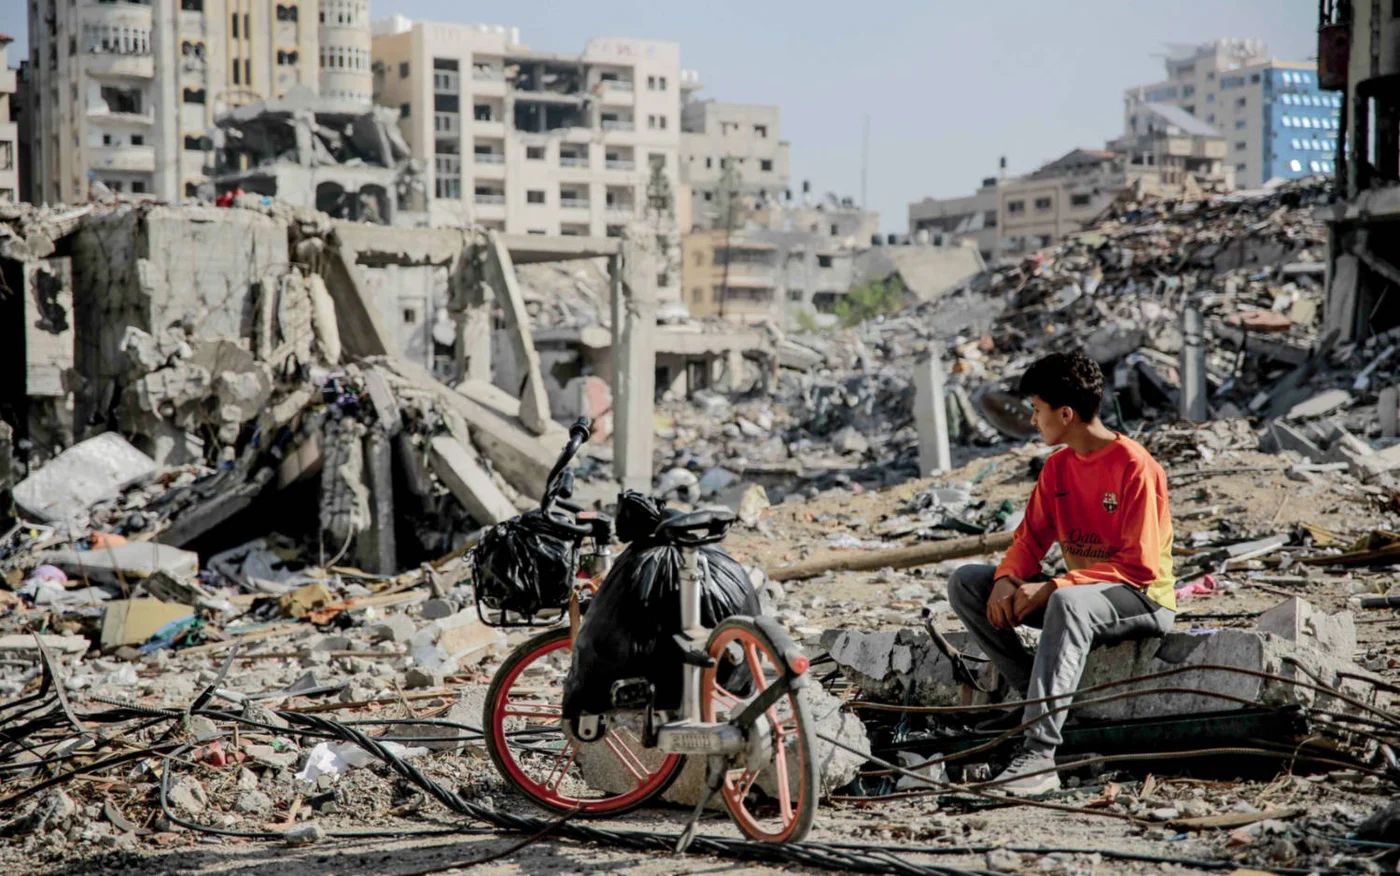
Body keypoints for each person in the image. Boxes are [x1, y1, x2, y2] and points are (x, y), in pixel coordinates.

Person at [948, 351, 1177, 796]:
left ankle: (1038, 755)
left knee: (1067, 602)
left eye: (1037, 410)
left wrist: (1054, 584)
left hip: (1142, 598)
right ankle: (1035, 697)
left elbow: (1140, 565)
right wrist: (1005, 580)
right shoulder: (1058, 468)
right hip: (1081, 597)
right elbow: (1030, 539)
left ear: (1065, 414)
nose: (1033, 421)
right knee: (967, 583)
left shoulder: (1135, 466)